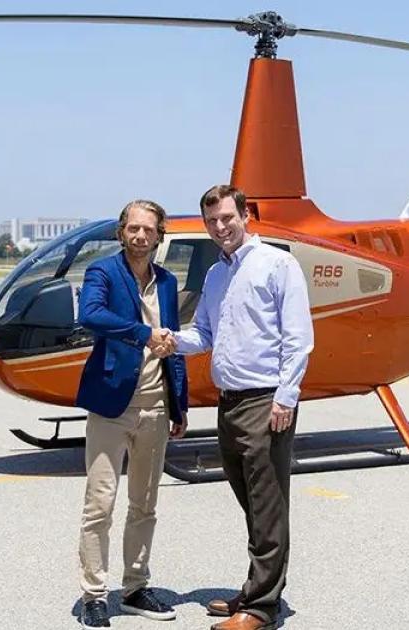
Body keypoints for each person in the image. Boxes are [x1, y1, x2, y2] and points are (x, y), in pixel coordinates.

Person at [166, 185, 314, 630]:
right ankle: (255, 589)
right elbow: (205, 334)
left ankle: (262, 608)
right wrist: (170, 341)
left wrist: (285, 397)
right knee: (250, 501)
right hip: (229, 405)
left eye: (228, 218)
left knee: (268, 504)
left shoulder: (276, 264)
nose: (221, 227)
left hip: (265, 401)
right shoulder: (216, 276)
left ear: (246, 215)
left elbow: (298, 338)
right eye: (212, 221)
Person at [74, 199, 189, 628]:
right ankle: (94, 594)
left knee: (145, 503)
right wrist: (143, 333)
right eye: (134, 229)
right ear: (121, 232)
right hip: (111, 405)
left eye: (149, 230)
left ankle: (136, 586)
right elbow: (90, 314)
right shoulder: (103, 272)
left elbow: (173, 346)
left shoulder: (166, 282)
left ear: (160, 236)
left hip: (156, 406)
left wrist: (180, 404)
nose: (141, 237)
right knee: (99, 504)